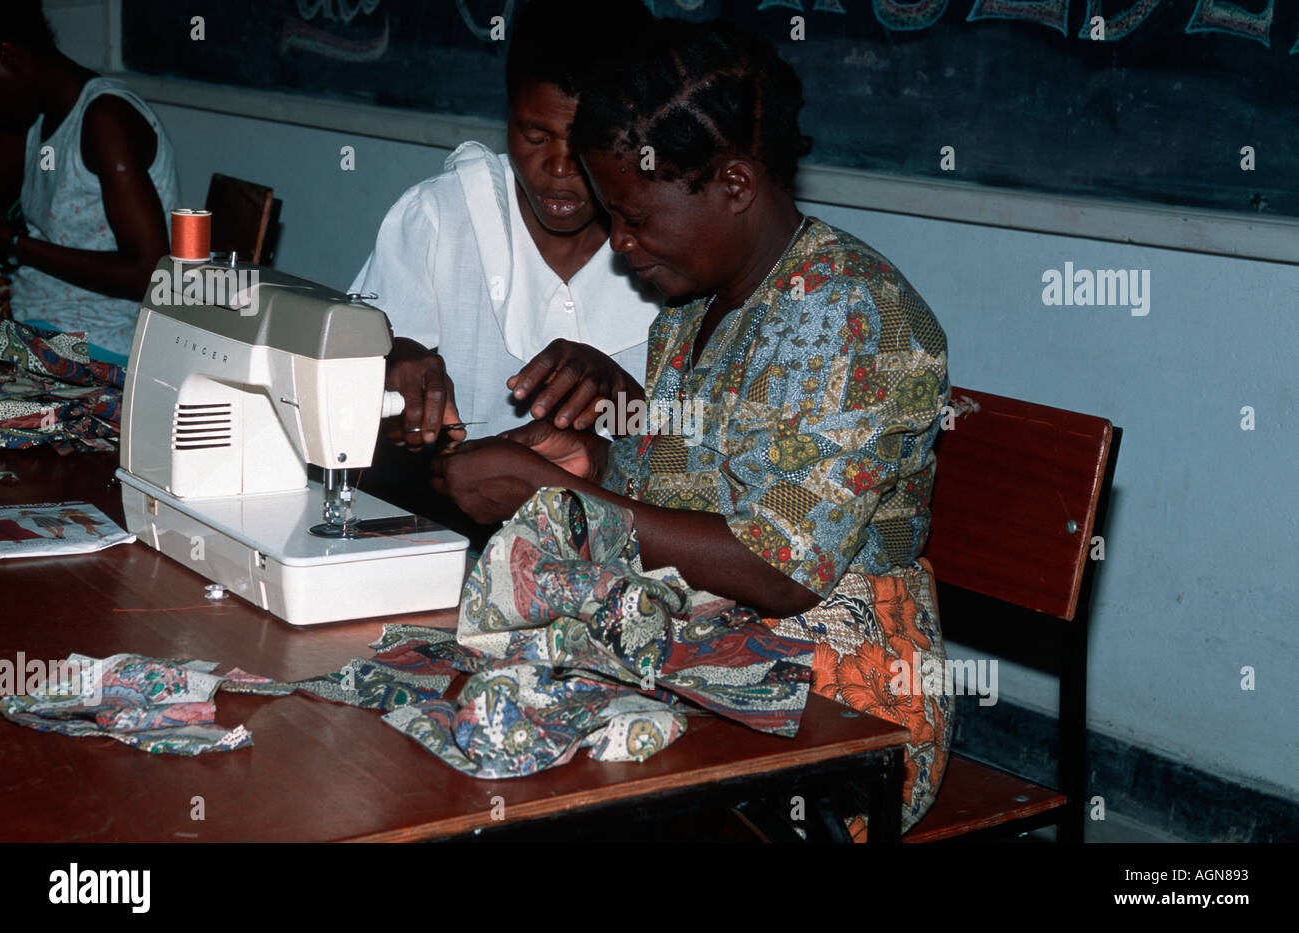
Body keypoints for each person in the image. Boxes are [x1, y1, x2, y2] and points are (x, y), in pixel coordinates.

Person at [429, 18, 953, 837]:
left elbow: (781, 571)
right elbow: (677, 465)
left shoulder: (857, 318)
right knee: (463, 731)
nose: (620, 247)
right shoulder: (697, 301)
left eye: (634, 217)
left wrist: (561, 495)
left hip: (837, 704)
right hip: (699, 643)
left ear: (735, 184)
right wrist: (594, 457)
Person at [350, 0, 660, 450]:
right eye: (534, 135)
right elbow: (343, 360)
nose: (557, 168)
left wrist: (626, 406)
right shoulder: (442, 216)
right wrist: (388, 359)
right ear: (508, 115)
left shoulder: (674, 246)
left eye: (586, 147)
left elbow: (697, 443)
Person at [0, 0, 179, 362]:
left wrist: (16, 243)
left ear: (9, 56)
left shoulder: (104, 120)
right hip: (39, 328)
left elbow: (149, 273)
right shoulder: (37, 118)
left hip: (98, 347)